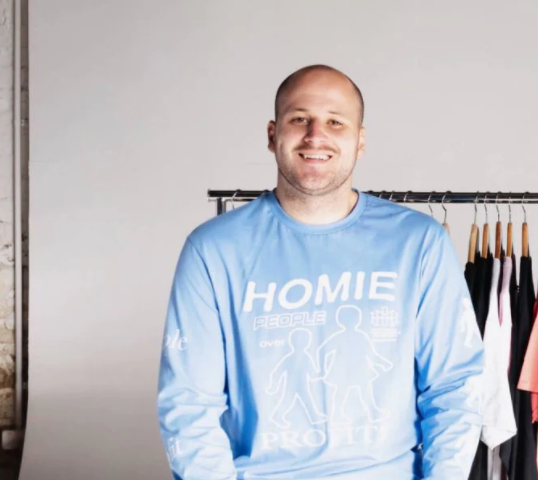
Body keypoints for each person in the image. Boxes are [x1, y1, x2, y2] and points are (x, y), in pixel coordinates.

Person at [157, 64, 484, 480]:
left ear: (360, 140)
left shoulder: (419, 243)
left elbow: (454, 386)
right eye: (300, 119)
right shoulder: (212, 250)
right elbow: (188, 405)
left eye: (335, 122)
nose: (316, 136)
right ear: (273, 134)